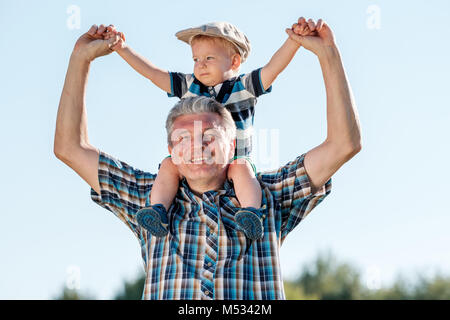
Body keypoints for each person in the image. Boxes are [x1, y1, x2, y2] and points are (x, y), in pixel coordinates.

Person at [54, 17, 361, 299]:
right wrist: (80, 60)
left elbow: (344, 144)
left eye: (209, 138)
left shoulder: (269, 195)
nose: (196, 148)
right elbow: (70, 147)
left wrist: (328, 54)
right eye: (183, 139)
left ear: (231, 146)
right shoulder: (147, 198)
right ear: (170, 151)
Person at [101, 21, 315, 241]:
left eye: (209, 58)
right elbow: (153, 74)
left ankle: (251, 212)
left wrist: (293, 41)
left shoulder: (244, 87)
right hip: (194, 163)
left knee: (241, 169)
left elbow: (273, 68)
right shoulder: (189, 86)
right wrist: (122, 49)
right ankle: (158, 210)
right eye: (196, 60)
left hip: (233, 159)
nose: (201, 65)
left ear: (234, 61)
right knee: (168, 164)